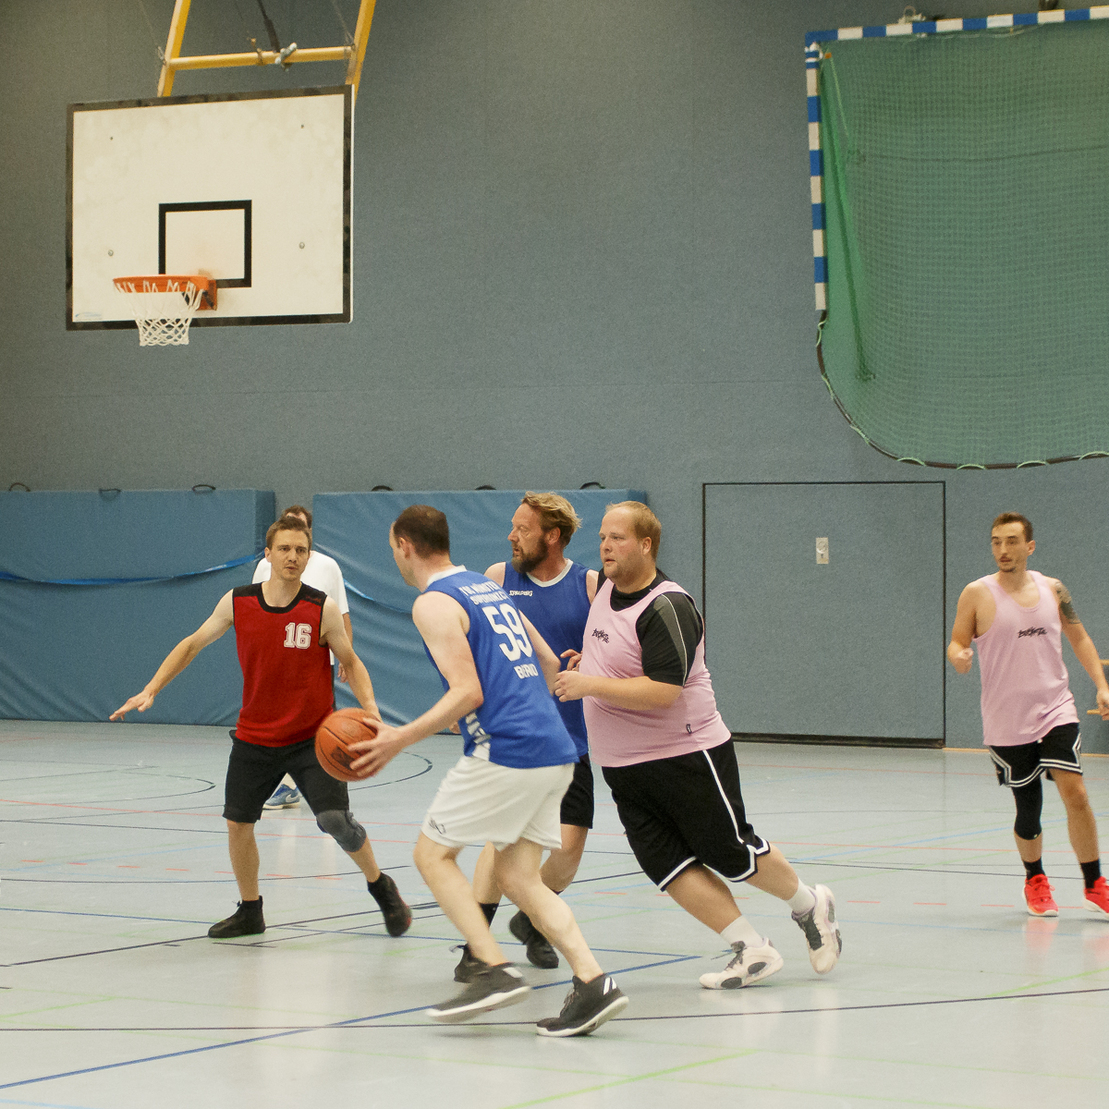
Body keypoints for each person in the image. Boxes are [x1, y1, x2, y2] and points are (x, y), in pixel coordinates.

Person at [349, 505, 627, 1036]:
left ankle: (492, 967)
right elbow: (547, 660)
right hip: (555, 743)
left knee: (431, 855)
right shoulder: (484, 584)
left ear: (404, 544)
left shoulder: (432, 603)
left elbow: (468, 691)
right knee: (519, 877)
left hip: (508, 747)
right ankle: (593, 982)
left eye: (392, 548)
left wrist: (399, 738)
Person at [555, 501, 841, 989]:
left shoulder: (668, 605)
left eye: (618, 537)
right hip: (622, 765)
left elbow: (664, 691)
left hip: (685, 755)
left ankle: (811, 907)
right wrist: (591, 665)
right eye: (603, 536)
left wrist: (590, 686)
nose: (605, 545)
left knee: (729, 851)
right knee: (664, 863)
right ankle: (751, 948)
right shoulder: (605, 590)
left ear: (646, 545)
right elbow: (620, 658)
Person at [111, 514, 412, 940]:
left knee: (334, 821)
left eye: (301, 550)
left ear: (309, 557)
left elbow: (351, 662)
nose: (293, 557)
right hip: (255, 736)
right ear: (268, 554)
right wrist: (151, 689)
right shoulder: (238, 601)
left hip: (312, 738)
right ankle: (250, 911)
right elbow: (193, 643)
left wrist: (372, 712)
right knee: (239, 823)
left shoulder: (319, 607)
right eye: (284, 549)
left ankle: (381, 886)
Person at [459, 492, 599, 978]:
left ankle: (535, 920)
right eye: (513, 527)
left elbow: (613, 648)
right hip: (515, 737)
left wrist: (593, 662)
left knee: (568, 848)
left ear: (552, 535)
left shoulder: (588, 585)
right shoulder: (498, 578)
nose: (511, 536)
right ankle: (476, 947)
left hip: (570, 738)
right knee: (502, 841)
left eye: (522, 529)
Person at [947, 511, 1109, 918]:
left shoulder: (1053, 589)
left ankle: (1095, 883)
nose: (1003, 549)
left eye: (1012, 541)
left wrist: (1102, 685)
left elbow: (1079, 636)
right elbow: (956, 642)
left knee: (1077, 793)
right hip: (1006, 720)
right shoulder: (976, 594)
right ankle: (1034, 878)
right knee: (1029, 808)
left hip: (1056, 707)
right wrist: (960, 657)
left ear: (1029, 546)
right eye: (996, 541)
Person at [254, 503, 352, 810]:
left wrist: (347, 657)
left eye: (301, 538)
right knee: (278, 727)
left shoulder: (327, 567)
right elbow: (257, 613)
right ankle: (284, 782)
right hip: (276, 664)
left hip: (315, 662)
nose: (292, 554)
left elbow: (342, 616)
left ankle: (324, 781)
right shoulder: (263, 568)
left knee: (321, 727)